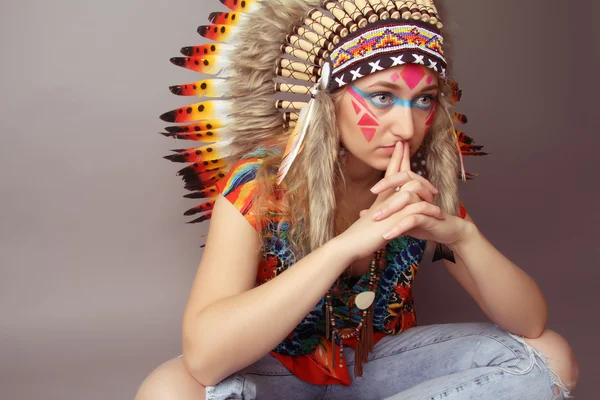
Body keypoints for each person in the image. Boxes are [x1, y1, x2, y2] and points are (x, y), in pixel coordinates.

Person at [136, 0, 579, 398]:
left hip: (380, 371)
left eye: (423, 100)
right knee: (168, 390)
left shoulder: (416, 184)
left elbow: (530, 324)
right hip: (276, 372)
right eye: (382, 97)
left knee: (550, 355)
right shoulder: (262, 183)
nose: (407, 129)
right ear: (325, 100)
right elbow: (205, 358)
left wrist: (462, 236)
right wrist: (346, 245)